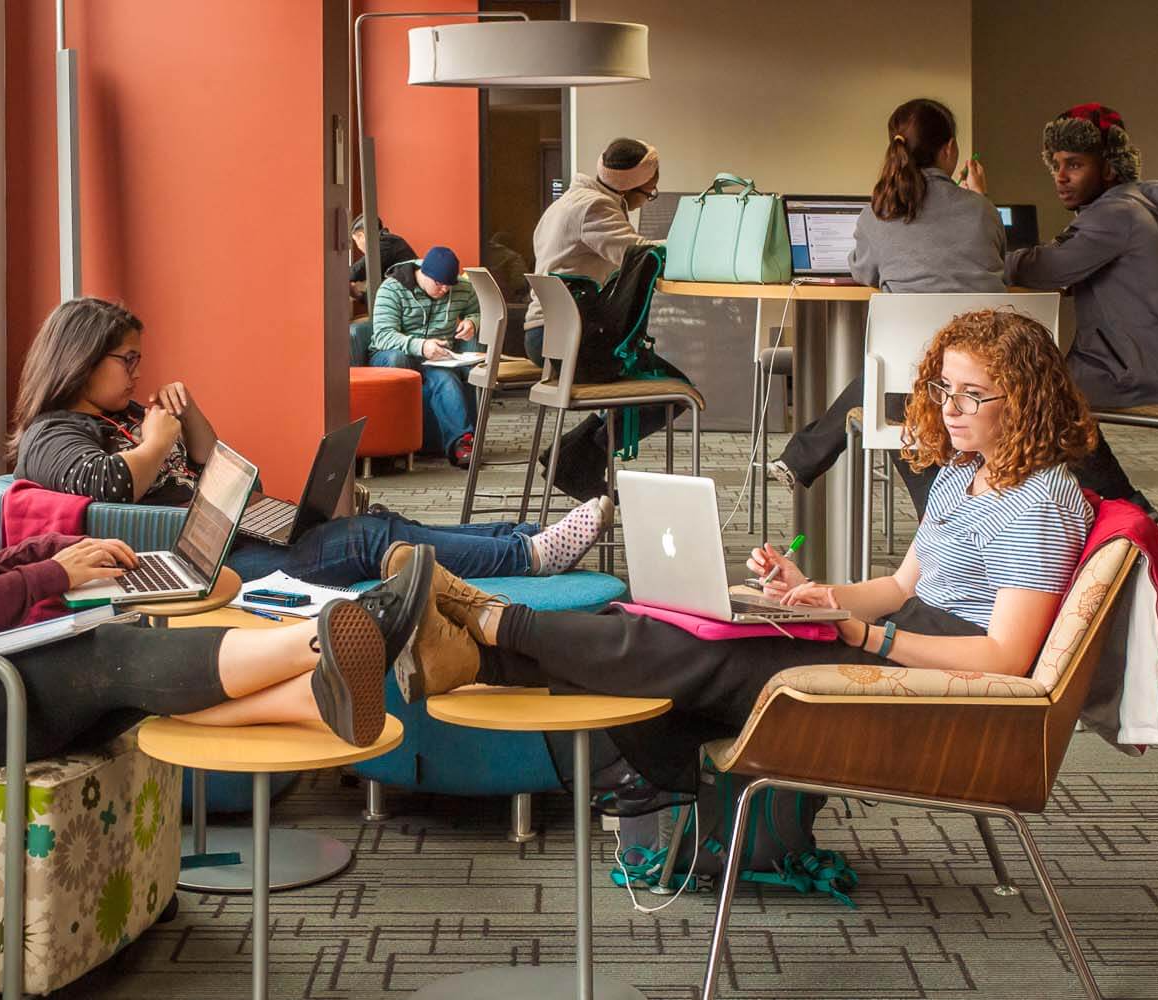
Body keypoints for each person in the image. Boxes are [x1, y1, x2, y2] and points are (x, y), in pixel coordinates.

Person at [388, 309, 1098, 793]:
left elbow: (1004, 659)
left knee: (698, 651)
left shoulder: (1041, 502)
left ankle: (489, 622)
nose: (951, 408)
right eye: (944, 388)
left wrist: (866, 637)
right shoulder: (963, 470)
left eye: (975, 395)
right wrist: (816, 593)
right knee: (666, 619)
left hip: (941, 678)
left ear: (1028, 400)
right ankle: (476, 650)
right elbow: (902, 583)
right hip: (904, 639)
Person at [0, 307, 442, 773]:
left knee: (110, 657)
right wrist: (53, 579)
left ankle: (313, 699)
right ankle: (329, 636)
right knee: (104, 650)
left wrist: (50, 553)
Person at [10, 297, 614, 588]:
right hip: (198, 568)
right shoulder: (51, 433)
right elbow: (113, 485)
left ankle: (521, 537)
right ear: (82, 360)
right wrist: (152, 442)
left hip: (229, 537)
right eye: (127, 359)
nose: (138, 371)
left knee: (381, 517)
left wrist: (189, 417)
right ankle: (527, 558)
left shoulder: (116, 418)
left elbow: (217, 469)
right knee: (369, 538)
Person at [766, 98, 997, 513]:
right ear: (949, 150)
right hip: (992, 385)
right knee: (898, 371)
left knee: (891, 377)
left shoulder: (881, 213)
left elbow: (862, 272)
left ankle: (941, 519)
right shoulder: (982, 211)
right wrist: (980, 200)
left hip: (913, 392)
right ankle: (948, 521)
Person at [1006, 103, 1158, 511]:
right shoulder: (1138, 205)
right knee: (1032, 386)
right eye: (1055, 164)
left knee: (1030, 393)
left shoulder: (1115, 214)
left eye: (1074, 164)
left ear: (1110, 167)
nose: (1060, 176)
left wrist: (988, 257)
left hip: (1141, 369)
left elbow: (1047, 269)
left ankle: (1121, 505)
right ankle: (1083, 511)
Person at [525, 137, 684, 501]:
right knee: (673, 392)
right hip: (572, 341)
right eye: (649, 192)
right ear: (630, 188)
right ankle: (576, 459)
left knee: (657, 388)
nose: (648, 198)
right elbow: (637, 255)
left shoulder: (568, 200)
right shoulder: (596, 207)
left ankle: (572, 455)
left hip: (549, 336)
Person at [366, 245, 483, 467]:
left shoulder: (462, 288)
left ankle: (462, 444)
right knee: (396, 362)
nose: (445, 290)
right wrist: (420, 346)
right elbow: (382, 335)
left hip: (438, 357)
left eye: (450, 285)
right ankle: (393, 446)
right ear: (423, 273)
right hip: (393, 354)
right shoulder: (392, 289)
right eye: (439, 284)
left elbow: (476, 310)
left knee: (446, 380)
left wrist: (472, 322)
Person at [348, 213, 417, 365]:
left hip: (406, 313)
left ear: (361, 236)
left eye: (356, 241)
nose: (358, 248)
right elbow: (382, 296)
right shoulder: (391, 244)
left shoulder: (385, 243)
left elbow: (354, 272)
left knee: (352, 332)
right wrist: (359, 294)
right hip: (404, 309)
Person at [481, 231, 530, 302]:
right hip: (508, 302)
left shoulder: (481, 253)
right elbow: (520, 284)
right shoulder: (514, 258)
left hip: (486, 302)